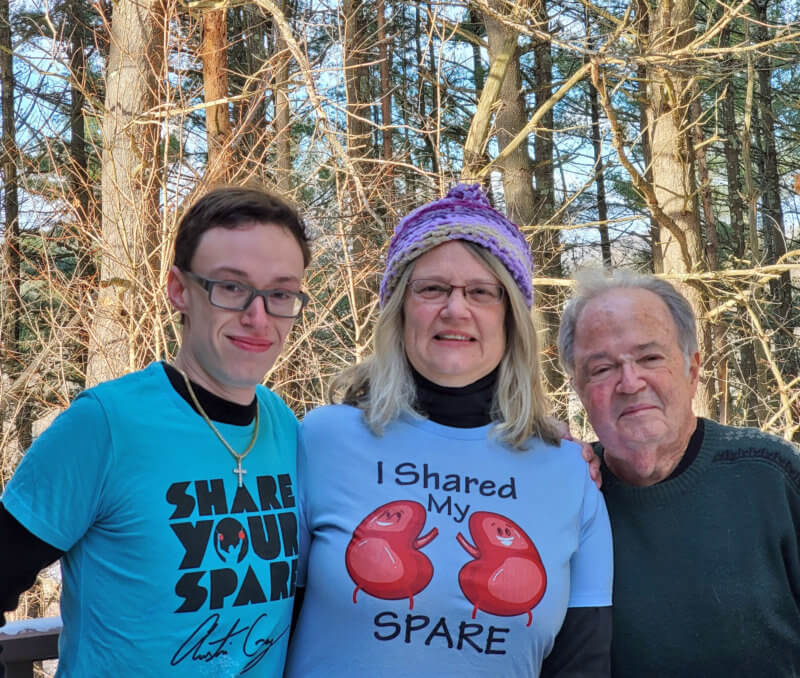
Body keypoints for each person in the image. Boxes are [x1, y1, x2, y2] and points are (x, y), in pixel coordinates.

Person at [285, 184, 613, 677]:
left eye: (481, 292)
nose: (456, 309)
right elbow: (260, 630)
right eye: (432, 289)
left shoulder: (569, 472)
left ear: (510, 318)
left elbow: (581, 664)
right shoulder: (322, 440)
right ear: (400, 307)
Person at [0, 186, 311, 677]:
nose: (258, 316)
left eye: (280, 293)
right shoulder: (104, 425)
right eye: (231, 286)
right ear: (179, 290)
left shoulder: (287, 429)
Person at [557, 270, 800, 678]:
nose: (630, 383)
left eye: (651, 358)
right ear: (580, 390)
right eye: (601, 369)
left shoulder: (773, 474)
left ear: (692, 370)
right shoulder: (567, 495)